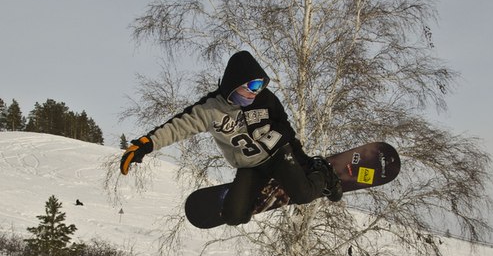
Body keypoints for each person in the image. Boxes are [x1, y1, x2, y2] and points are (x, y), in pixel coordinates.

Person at [120, 50, 342, 225]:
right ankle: (269, 187)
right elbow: (178, 127)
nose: (256, 92)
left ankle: (322, 173)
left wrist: (303, 161)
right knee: (234, 217)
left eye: (260, 85)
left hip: (278, 156)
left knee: (303, 195)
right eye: (251, 86)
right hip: (250, 166)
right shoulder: (210, 110)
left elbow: (286, 129)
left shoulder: (265, 99)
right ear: (234, 84)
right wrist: (145, 145)